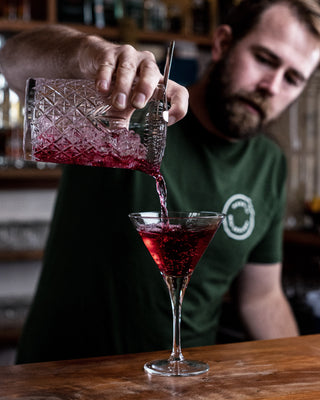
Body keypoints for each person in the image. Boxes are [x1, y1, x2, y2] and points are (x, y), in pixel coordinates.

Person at [0, 0, 318, 364]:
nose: (271, 86)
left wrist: (306, 372)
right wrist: (89, 54)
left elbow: (261, 297)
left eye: (293, 78)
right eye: (264, 58)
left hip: (189, 382)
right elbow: (12, 60)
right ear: (223, 43)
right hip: (66, 374)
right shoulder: (126, 113)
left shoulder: (270, 163)